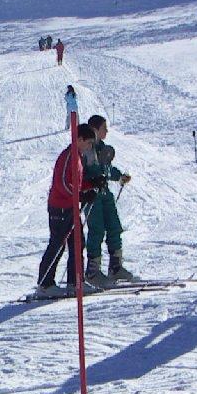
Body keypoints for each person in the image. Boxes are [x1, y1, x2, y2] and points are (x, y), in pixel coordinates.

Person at [36, 124, 99, 297]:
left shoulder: (77, 156)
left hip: (71, 206)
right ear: (79, 140)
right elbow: (62, 183)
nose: (89, 147)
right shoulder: (68, 156)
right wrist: (79, 196)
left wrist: (92, 185)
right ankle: (45, 284)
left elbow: (75, 183)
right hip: (60, 208)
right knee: (58, 244)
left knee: (78, 243)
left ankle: (75, 282)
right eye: (88, 143)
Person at [82, 115, 133, 284]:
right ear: (95, 129)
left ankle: (115, 266)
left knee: (114, 226)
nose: (107, 131)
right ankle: (92, 271)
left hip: (105, 193)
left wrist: (119, 177)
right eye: (104, 128)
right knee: (96, 229)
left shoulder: (103, 148)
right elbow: (84, 172)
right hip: (92, 195)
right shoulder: (86, 149)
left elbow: (107, 169)